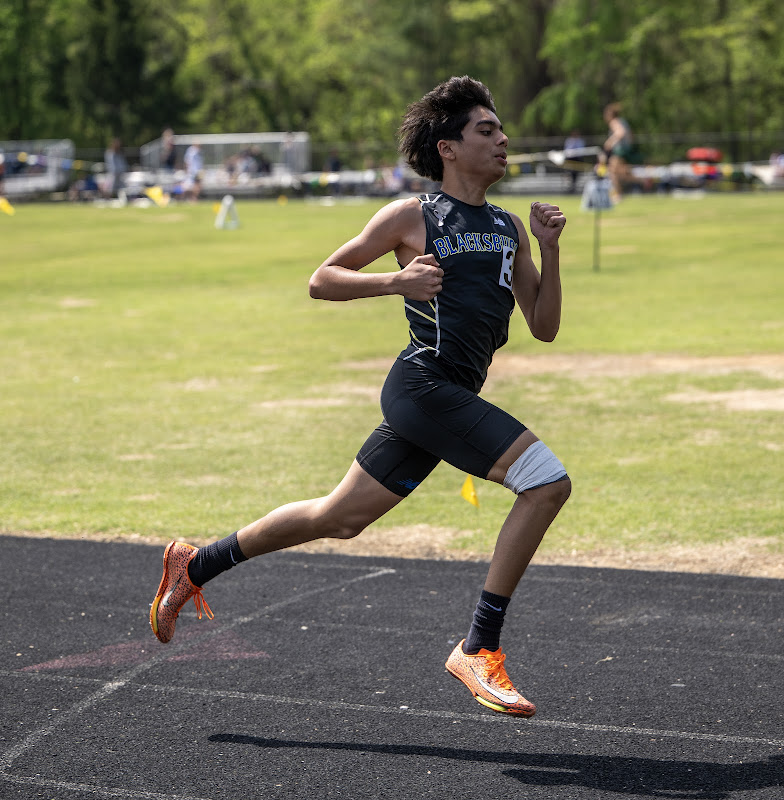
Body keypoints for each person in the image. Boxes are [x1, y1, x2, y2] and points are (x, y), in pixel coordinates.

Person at [149, 76, 571, 717]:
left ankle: (194, 563)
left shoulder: (510, 227)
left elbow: (543, 325)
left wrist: (549, 248)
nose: (503, 139)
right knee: (546, 483)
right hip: (422, 386)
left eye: (500, 128)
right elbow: (322, 279)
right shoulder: (412, 216)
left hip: (450, 396)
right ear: (447, 147)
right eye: (486, 130)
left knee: (338, 518)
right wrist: (395, 282)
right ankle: (479, 647)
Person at [600, 102, 641, 197]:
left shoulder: (614, 122)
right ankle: (644, 181)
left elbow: (620, 133)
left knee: (612, 172)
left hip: (620, 151)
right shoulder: (622, 121)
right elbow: (630, 136)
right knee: (624, 174)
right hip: (626, 150)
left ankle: (618, 194)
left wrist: (609, 142)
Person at [563, 129, 586, 194]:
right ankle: (569, 186)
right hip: (570, 159)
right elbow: (567, 150)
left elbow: (581, 150)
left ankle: (574, 186)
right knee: (569, 173)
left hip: (577, 159)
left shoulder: (580, 141)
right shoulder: (569, 141)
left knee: (576, 173)